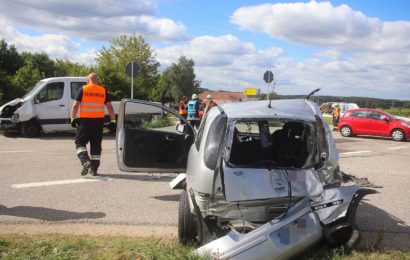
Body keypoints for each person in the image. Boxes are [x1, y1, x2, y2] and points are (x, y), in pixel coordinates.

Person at [70, 73, 116, 176]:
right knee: (96, 145)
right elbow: (110, 108)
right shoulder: (103, 90)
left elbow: (75, 106)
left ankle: (85, 160)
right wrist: (113, 121)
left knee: (79, 142)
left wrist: (73, 118)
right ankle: (94, 169)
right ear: (97, 81)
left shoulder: (83, 89)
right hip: (99, 122)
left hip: (85, 122)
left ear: (88, 81)